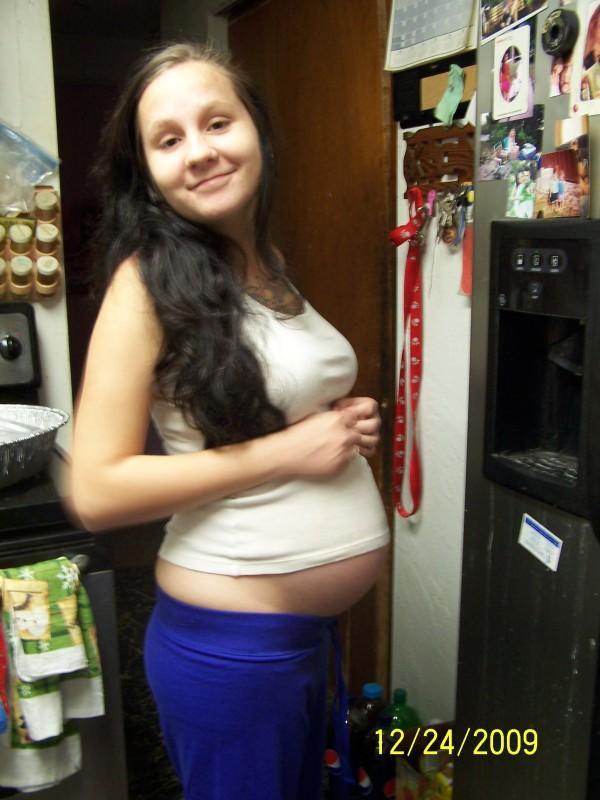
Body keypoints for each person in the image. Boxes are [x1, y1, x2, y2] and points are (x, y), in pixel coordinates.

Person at [68, 42, 390, 800]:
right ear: (146, 170)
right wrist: (290, 452)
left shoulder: (264, 261)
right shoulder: (145, 283)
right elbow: (97, 490)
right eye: (168, 139)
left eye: (218, 122)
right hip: (231, 652)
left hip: (298, 640)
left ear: (257, 130)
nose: (200, 151)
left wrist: (339, 422)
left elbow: (253, 401)